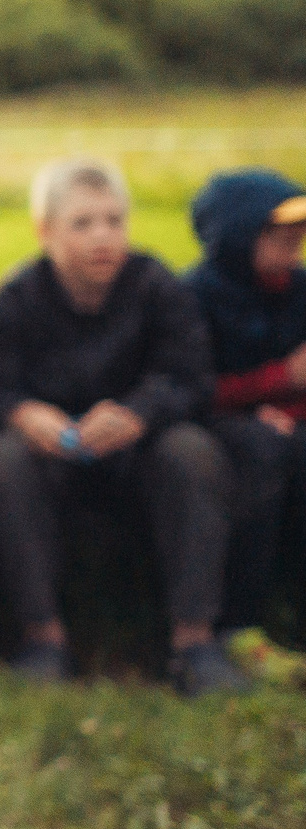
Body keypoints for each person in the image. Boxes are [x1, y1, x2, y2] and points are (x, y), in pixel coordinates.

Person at [0, 157, 248, 695]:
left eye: (114, 220)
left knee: (193, 451)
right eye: (83, 223)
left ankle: (195, 640)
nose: (103, 237)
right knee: (1, 457)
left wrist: (138, 413)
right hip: (53, 458)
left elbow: (193, 379)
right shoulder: (17, 297)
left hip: (138, 455)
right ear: (45, 231)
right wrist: (26, 414)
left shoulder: (157, 286)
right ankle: (43, 639)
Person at [184, 168, 306, 684]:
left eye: (298, 229)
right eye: (277, 231)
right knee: (264, 452)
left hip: (288, 418)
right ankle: (241, 624)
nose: (295, 240)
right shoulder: (196, 294)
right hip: (220, 425)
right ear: (236, 235)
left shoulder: (299, 287)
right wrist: (281, 381)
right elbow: (192, 387)